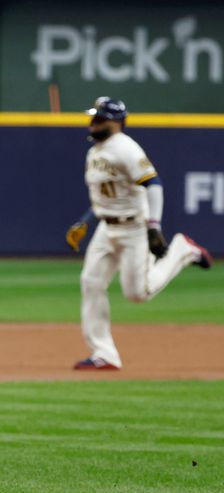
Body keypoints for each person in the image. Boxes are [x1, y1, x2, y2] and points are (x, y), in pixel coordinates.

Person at [66, 97, 212, 370]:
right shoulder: (95, 151)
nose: (92, 123)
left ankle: (182, 249)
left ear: (117, 122)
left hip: (134, 227)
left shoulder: (126, 149)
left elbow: (153, 184)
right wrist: (84, 222)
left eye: (99, 119)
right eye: (93, 117)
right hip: (106, 227)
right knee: (91, 282)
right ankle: (104, 354)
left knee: (137, 293)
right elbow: (106, 194)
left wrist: (153, 226)